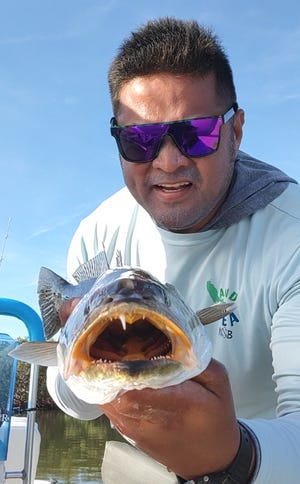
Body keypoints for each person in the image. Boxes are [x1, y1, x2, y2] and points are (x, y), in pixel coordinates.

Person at [47, 18, 300, 483]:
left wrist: (233, 457)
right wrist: (84, 361)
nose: (168, 161)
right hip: (141, 464)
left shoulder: (292, 237)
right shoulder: (98, 233)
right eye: (139, 140)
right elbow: (73, 401)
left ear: (236, 131)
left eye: (196, 134)